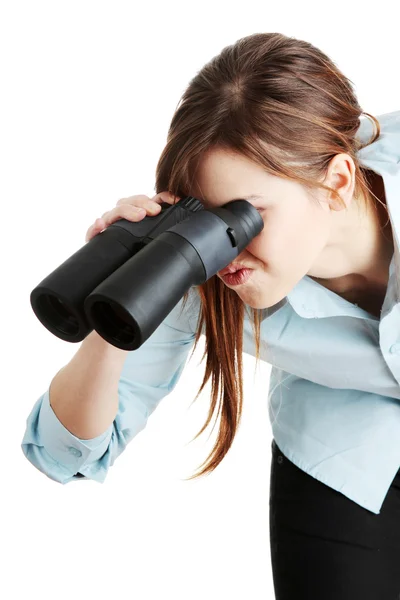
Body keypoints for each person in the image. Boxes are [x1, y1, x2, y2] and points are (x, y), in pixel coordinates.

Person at [22, 32, 400, 598]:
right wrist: (122, 295)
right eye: (210, 220)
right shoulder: (205, 280)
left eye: (248, 215)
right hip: (346, 450)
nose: (228, 249)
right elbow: (63, 451)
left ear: (337, 181)